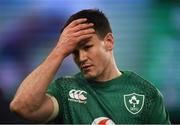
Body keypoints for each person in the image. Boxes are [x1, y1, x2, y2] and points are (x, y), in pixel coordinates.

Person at [10, 9, 171, 124]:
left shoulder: (146, 94)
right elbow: (21, 107)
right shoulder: (65, 89)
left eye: (87, 47)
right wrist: (59, 51)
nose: (81, 58)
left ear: (109, 42)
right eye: (74, 52)